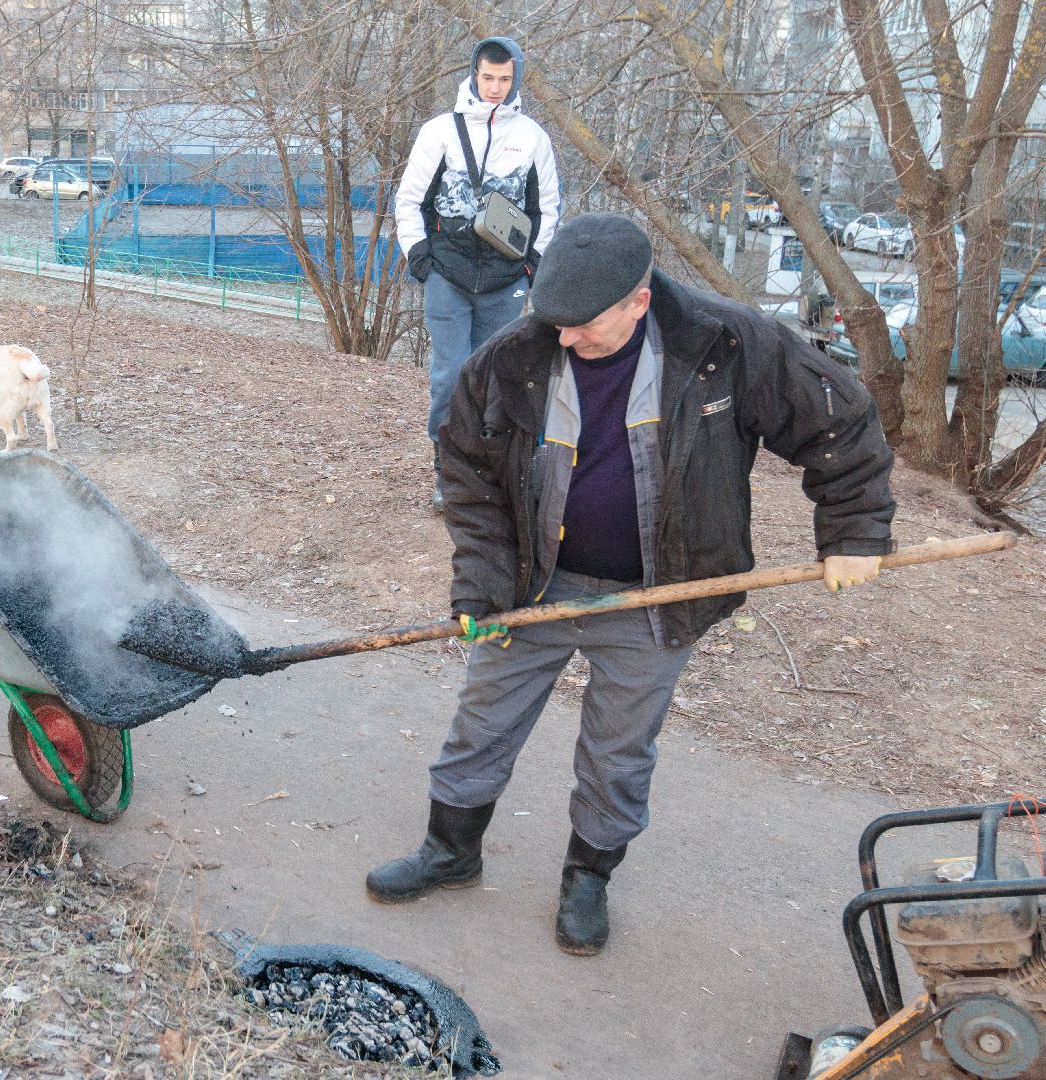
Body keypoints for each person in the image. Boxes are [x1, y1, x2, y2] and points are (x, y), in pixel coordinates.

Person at [365, 213, 895, 956]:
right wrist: (482, 585)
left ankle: (588, 878)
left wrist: (854, 533)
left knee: (619, 750)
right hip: (531, 588)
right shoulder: (511, 360)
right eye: (552, 322)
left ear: (638, 302)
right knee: (480, 722)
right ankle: (450, 851)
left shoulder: (727, 343)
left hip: (660, 596)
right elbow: (469, 478)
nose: (564, 340)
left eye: (582, 326)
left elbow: (838, 421)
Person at [395, 36, 561, 510]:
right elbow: (409, 200)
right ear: (473, 74)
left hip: (505, 279)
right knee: (451, 377)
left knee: (501, 378)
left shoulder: (532, 138)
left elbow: (546, 208)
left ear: (516, 79)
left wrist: (533, 264)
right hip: (448, 272)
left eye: (504, 79)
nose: (494, 87)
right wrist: (420, 258)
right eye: (487, 77)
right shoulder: (439, 132)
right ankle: (448, 471)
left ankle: (494, 471)